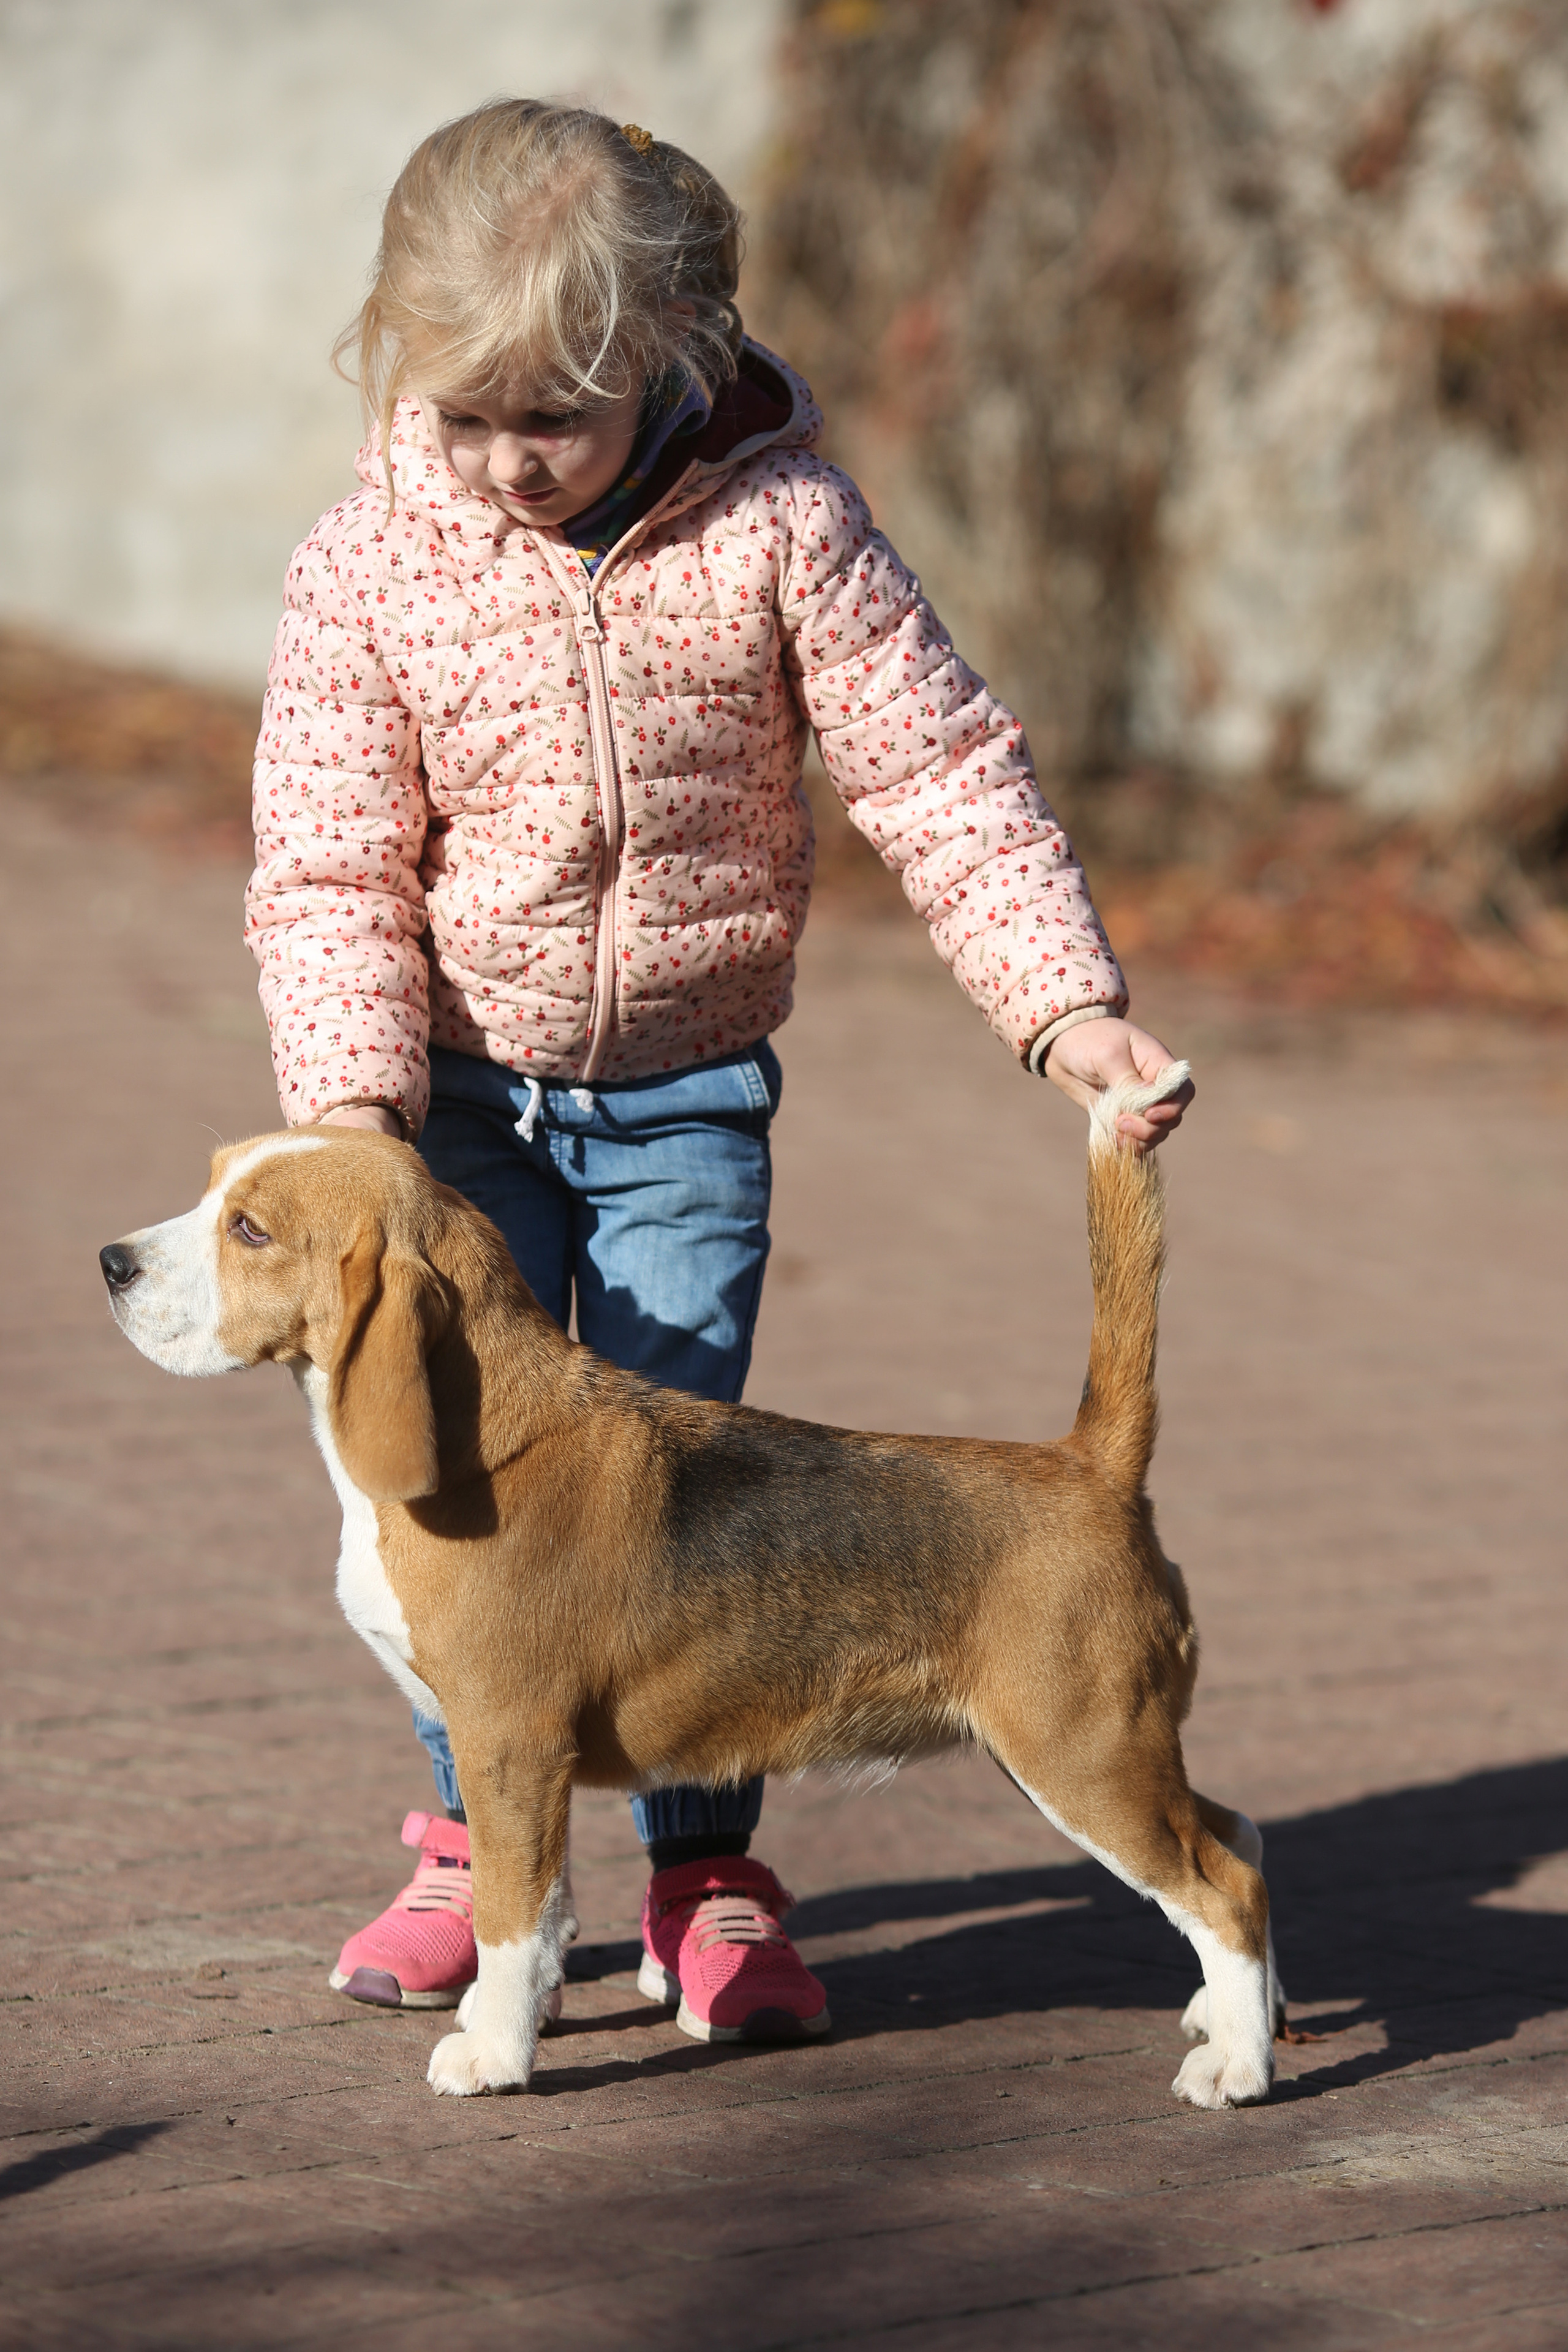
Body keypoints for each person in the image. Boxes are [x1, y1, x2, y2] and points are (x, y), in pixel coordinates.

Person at [246, 99, 1193, 2048]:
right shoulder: (366, 567)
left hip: (687, 1100)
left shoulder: (789, 528)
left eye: (560, 421)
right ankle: (470, 1845)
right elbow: (329, 861)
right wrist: (354, 1113)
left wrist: (1064, 1003)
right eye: (471, 414)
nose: (512, 463)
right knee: (446, 1492)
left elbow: (939, 772)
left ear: (678, 347)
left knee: (682, 1502)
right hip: (450, 1108)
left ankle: (705, 1871)